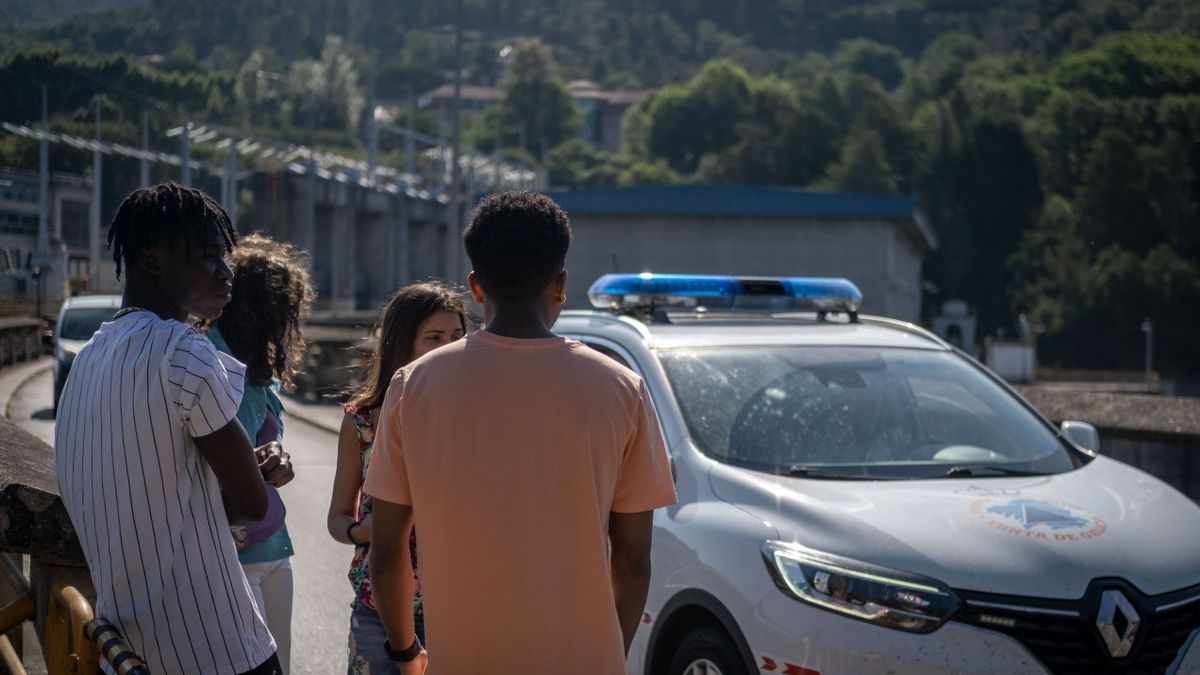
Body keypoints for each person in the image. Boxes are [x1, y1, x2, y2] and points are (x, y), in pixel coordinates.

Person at [364, 191, 677, 673]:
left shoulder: (414, 385)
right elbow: (633, 560)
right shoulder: (621, 387)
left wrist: (407, 653)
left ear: (475, 286)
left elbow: (386, 555)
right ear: (561, 285)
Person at [54, 182, 293, 675]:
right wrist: (262, 473)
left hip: (129, 649)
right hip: (220, 651)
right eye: (208, 256)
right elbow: (252, 504)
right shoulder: (183, 350)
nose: (226, 272)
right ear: (153, 257)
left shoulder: (88, 359)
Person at [327, 282, 467, 675]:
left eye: (458, 336)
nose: (449, 348)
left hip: (457, 608)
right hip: (380, 613)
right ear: (401, 343)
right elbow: (337, 518)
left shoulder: (476, 417)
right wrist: (363, 531)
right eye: (434, 338)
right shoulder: (362, 421)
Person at [203, 234, 315, 675]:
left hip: (272, 546)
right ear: (261, 309)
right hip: (230, 553)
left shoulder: (261, 370)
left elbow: (262, 450)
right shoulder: (209, 360)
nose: (291, 323)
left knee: (280, 668)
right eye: (286, 310)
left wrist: (275, 462)